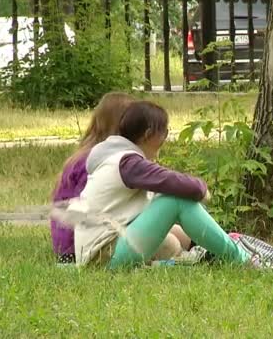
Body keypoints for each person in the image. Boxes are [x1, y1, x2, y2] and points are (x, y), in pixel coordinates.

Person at [64, 100, 258, 269]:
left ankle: (219, 252)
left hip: (101, 252)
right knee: (176, 201)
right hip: (104, 257)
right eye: (165, 131)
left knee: (173, 218)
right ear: (149, 134)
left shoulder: (117, 158)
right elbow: (184, 186)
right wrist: (203, 189)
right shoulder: (129, 163)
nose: (166, 136)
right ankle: (241, 260)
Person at [50, 92, 191, 265]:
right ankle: (179, 259)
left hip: (102, 234)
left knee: (178, 232)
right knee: (171, 243)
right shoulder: (100, 163)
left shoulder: (98, 155)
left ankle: (204, 247)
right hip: (78, 248)